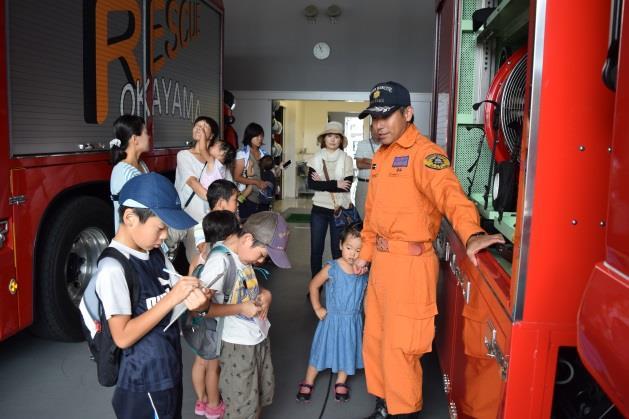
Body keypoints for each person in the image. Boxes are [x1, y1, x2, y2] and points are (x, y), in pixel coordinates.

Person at [353, 81, 505, 418]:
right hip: (381, 265)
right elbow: (373, 216)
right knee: (375, 338)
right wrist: (364, 256)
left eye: (386, 116)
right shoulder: (381, 156)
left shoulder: (426, 154)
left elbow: (452, 196)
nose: (378, 125)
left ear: (407, 113)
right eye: (373, 118)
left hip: (410, 267)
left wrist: (472, 234)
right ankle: (384, 404)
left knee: (402, 345)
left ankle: (402, 411)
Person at [81, 172, 208, 419]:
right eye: (160, 228)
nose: (164, 237)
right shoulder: (113, 269)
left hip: (168, 369)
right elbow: (123, 336)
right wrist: (173, 298)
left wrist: (197, 298)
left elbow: (177, 288)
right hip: (142, 382)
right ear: (130, 218)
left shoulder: (155, 253)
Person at [197, 211, 291, 419]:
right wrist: (240, 308)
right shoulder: (219, 262)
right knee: (241, 405)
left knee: (258, 395)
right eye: (262, 255)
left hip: (258, 336)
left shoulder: (244, 256)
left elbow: (249, 287)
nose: (260, 261)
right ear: (248, 239)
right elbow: (202, 309)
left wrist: (266, 294)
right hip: (236, 344)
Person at [296, 222, 368, 403]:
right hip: (332, 319)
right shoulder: (333, 267)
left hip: (353, 320)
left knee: (348, 350)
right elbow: (314, 285)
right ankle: (309, 380)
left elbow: (366, 298)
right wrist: (318, 307)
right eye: (349, 248)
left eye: (359, 250)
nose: (353, 254)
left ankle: (341, 381)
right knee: (320, 350)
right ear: (340, 246)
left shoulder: (363, 273)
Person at [188, 210, 241, 419]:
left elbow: (191, 277)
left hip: (196, 318)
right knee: (213, 366)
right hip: (211, 318)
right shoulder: (221, 257)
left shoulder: (200, 255)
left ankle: (200, 400)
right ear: (228, 235)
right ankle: (213, 405)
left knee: (199, 361)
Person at [174, 116, 230, 262]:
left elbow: (228, 190)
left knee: (210, 262)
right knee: (197, 261)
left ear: (211, 136)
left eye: (204, 126)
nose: (199, 127)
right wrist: (215, 199)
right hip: (191, 220)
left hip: (212, 222)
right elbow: (193, 184)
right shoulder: (184, 155)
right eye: (197, 125)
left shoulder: (217, 162)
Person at [307, 121, 354, 278]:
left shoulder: (347, 159)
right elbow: (312, 184)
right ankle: (315, 284)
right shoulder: (316, 159)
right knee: (316, 250)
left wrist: (323, 183)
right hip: (319, 209)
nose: (333, 140)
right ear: (324, 139)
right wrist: (335, 183)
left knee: (337, 250)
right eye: (329, 136)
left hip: (338, 211)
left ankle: (338, 283)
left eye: (336, 137)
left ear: (341, 140)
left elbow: (346, 187)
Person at [109, 114, 150, 231]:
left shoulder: (142, 165)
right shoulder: (123, 172)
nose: (149, 136)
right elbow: (136, 212)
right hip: (131, 239)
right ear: (135, 139)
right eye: (145, 133)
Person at [191, 179, 240, 258]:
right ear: (221, 203)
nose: (238, 204)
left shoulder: (235, 220)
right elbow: (203, 250)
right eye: (235, 200)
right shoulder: (201, 225)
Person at [233, 123, 272, 221]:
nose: (260, 139)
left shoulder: (264, 154)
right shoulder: (242, 154)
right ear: (249, 136)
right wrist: (255, 182)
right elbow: (237, 177)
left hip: (264, 198)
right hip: (248, 199)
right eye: (257, 136)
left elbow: (269, 172)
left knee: (263, 227)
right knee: (248, 227)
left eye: (261, 136)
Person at [353, 124, 381, 218]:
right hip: (364, 184)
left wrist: (367, 160)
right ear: (370, 129)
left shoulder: (388, 144)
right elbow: (359, 165)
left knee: (378, 215)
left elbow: (388, 165)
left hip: (381, 184)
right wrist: (378, 163)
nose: (377, 131)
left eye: (380, 129)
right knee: (361, 214)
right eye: (375, 128)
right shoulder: (362, 144)